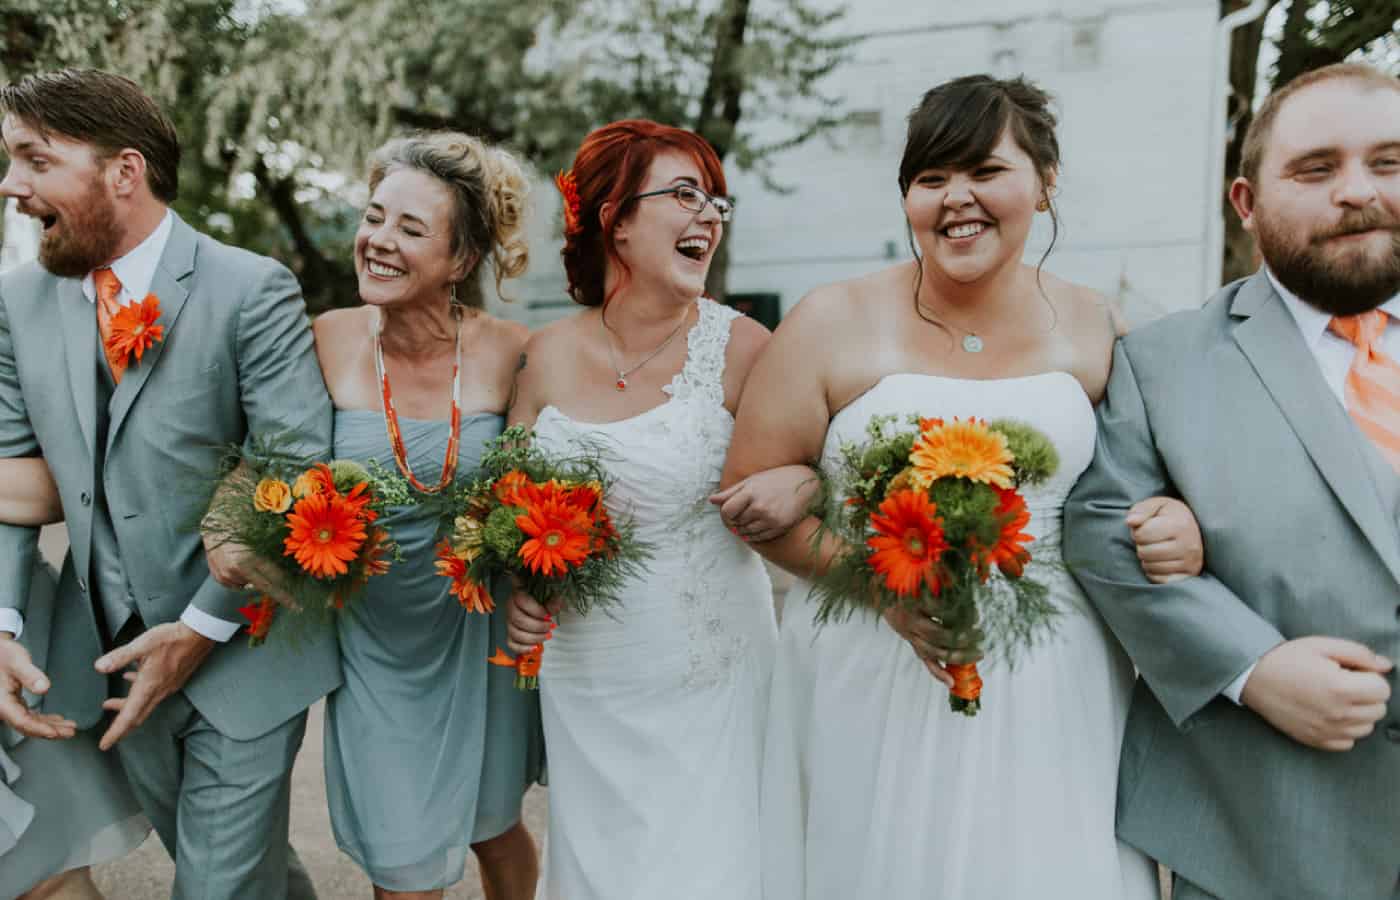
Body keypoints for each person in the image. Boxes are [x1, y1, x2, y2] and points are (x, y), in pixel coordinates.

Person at [720, 75, 1201, 899]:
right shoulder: (828, 320)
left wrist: (1177, 521)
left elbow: (1154, 482)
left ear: (1046, 184)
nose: (956, 200)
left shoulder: (1100, 325)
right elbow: (752, 503)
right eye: (930, 178)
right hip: (868, 663)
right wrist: (884, 592)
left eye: (984, 171)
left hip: (1054, 670)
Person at [1063, 62, 1400, 900]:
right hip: (1267, 833)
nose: (1356, 192)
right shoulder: (1160, 361)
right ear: (1246, 202)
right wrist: (1253, 668)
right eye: (1315, 168)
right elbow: (1100, 526)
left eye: (1389, 163)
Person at [0, 69, 333, 899]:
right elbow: (6, 486)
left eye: (36, 160)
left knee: (216, 887)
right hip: (116, 660)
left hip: (246, 648)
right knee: (239, 872)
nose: (11, 185)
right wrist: (1, 622)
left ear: (124, 171)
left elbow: (294, 469)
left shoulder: (251, 288)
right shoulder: (17, 303)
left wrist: (197, 629)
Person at [503, 119, 811, 900]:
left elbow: (825, 465)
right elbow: (505, 516)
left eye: (715, 201)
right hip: (588, 674)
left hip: (711, 673)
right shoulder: (542, 355)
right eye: (683, 195)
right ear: (616, 218)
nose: (707, 215)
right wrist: (519, 591)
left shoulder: (745, 349)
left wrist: (803, 484)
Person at [312, 131, 542, 900]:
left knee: (497, 829)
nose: (378, 241)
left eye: (411, 230)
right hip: (374, 642)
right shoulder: (324, 341)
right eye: (375, 217)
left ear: (461, 261)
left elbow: (552, 490)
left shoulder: (515, 353)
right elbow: (267, 472)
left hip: (480, 631)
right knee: (403, 866)